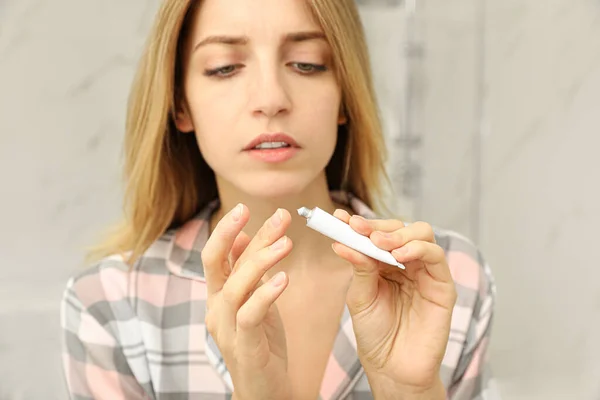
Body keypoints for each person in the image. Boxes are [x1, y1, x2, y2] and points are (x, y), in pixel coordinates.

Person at [60, 0, 498, 399]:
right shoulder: (112, 305)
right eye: (224, 68)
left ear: (346, 94)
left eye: (307, 64)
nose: (271, 99)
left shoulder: (445, 277)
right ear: (181, 106)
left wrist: (409, 390)